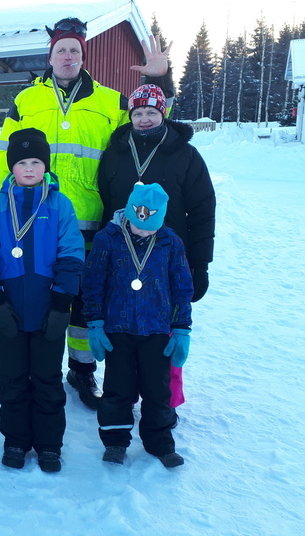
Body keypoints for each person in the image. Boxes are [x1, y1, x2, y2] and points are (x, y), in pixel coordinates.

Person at [0, 17, 175, 410]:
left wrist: (160, 81)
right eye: (61, 50)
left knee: (85, 301)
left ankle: (82, 369)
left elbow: (150, 127)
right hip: (33, 223)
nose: (68, 56)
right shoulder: (26, 101)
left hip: (90, 221)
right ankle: (37, 369)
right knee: (36, 293)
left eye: (75, 50)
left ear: (83, 56)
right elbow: (4, 158)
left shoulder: (110, 101)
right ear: (50, 56)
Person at [0, 128, 84, 472]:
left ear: (46, 166)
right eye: (22, 163)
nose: (30, 168)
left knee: (48, 379)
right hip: (8, 311)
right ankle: (16, 440)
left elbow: (72, 254)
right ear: (12, 168)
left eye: (36, 161)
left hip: (49, 310)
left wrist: (62, 303)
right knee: (12, 379)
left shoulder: (60, 205)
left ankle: (49, 444)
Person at [98, 84, 215, 409]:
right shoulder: (116, 152)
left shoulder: (185, 155)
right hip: (123, 261)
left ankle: (165, 401)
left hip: (167, 261)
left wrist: (200, 265)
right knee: (123, 328)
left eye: (151, 112)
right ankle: (122, 396)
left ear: (163, 113)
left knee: (165, 332)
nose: (144, 119)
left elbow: (203, 211)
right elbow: (105, 201)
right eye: (138, 113)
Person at [82, 183, 193, 468]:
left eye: (150, 228)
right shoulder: (108, 238)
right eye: (138, 226)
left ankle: (161, 443)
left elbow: (182, 286)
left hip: (157, 330)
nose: (143, 232)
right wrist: (94, 323)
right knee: (117, 388)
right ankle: (115, 442)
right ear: (129, 214)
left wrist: (181, 328)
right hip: (117, 329)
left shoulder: (170, 242)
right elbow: (93, 282)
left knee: (158, 390)